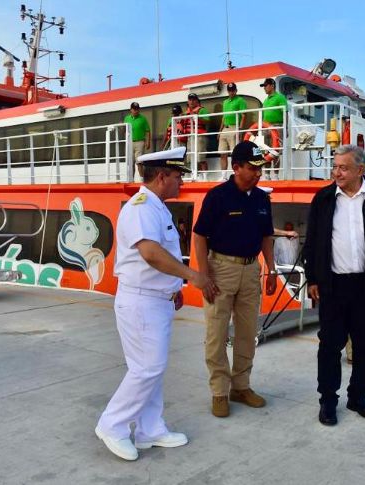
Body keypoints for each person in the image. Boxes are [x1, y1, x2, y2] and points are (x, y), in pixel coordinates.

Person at [95, 147, 212, 461]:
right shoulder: (142, 207)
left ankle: (149, 430)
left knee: (150, 370)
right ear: (162, 177)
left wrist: (174, 288)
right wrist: (191, 276)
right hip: (141, 303)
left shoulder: (157, 207)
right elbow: (149, 252)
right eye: (177, 177)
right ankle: (112, 424)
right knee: (148, 368)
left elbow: (159, 257)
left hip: (155, 301)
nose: (181, 184)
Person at [302, 144, 365, 426]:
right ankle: (327, 401)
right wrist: (312, 277)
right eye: (335, 167)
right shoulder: (323, 199)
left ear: (360, 169)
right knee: (329, 345)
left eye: (343, 168)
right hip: (333, 286)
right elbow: (311, 242)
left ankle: (358, 397)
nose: (337, 172)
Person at [193, 140, 277, 418]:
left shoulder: (262, 198)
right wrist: (204, 273)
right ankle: (219, 391)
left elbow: (267, 235)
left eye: (260, 168)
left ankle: (241, 386)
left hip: (252, 270)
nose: (258, 174)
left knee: (246, 332)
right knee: (216, 333)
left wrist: (272, 269)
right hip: (221, 269)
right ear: (236, 166)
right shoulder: (218, 196)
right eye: (253, 168)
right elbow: (199, 235)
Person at [260, 77, 288, 176]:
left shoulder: (280, 97)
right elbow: (264, 116)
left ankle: (276, 175)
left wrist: (286, 127)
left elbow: (285, 113)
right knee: (266, 152)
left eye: (265, 86)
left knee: (275, 152)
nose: (264, 88)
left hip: (277, 126)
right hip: (266, 128)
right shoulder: (265, 101)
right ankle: (267, 175)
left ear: (272, 86)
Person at [218, 83, 247, 175]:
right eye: (229, 90)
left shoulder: (240, 100)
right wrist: (220, 131)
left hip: (235, 127)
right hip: (225, 129)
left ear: (236, 90)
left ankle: (236, 174)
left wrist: (240, 129)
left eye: (233, 90)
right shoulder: (225, 102)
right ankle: (224, 176)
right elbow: (223, 117)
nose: (231, 92)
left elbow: (243, 115)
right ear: (228, 91)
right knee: (222, 153)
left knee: (234, 154)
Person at [185, 93, 211, 173]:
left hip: (200, 136)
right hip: (190, 137)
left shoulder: (203, 110)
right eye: (190, 100)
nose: (192, 101)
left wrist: (197, 117)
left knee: (201, 158)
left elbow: (207, 121)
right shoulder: (187, 112)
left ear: (197, 101)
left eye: (193, 100)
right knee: (191, 158)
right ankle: (196, 175)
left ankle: (205, 177)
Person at [124, 102, 151, 180]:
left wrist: (148, 142)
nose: (136, 111)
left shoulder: (143, 118)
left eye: (137, 109)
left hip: (140, 142)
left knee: (139, 162)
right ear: (131, 109)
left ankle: (142, 180)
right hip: (130, 142)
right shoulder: (126, 118)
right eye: (134, 109)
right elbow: (125, 130)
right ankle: (131, 180)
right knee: (131, 162)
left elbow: (148, 131)